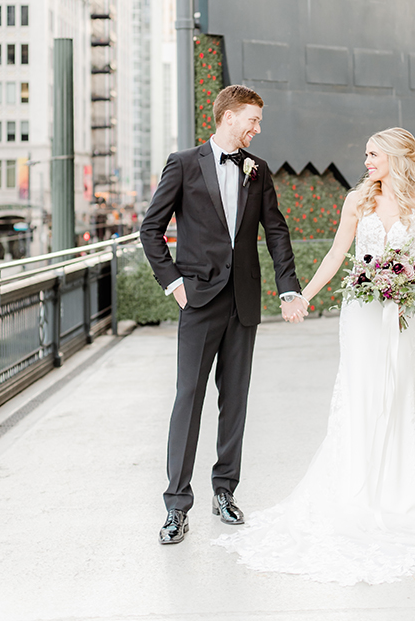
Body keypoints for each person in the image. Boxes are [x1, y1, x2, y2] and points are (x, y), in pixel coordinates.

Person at [215, 127, 415, 584]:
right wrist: (300, 295)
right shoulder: (357, 201)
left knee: (395, 397)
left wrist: (403, 285)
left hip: (400, 318)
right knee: (359, 394)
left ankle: (393, 495)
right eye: (365, 154)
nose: (365, 162)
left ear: (396, 158)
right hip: (361, 314)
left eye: (372, 155)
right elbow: (335, 255)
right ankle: (351, 489)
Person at [140, 85, 305, 546]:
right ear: (228, 116)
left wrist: (288, 287)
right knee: (188, 401)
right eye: (252, 120)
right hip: (198, 301)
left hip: (243, 303)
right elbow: (150, 229)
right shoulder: (183, 163)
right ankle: (176, 505)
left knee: (235, 401)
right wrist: (175, 284)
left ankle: (225, 491)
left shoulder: (259, 170)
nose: (257, 129)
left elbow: (276, 231)